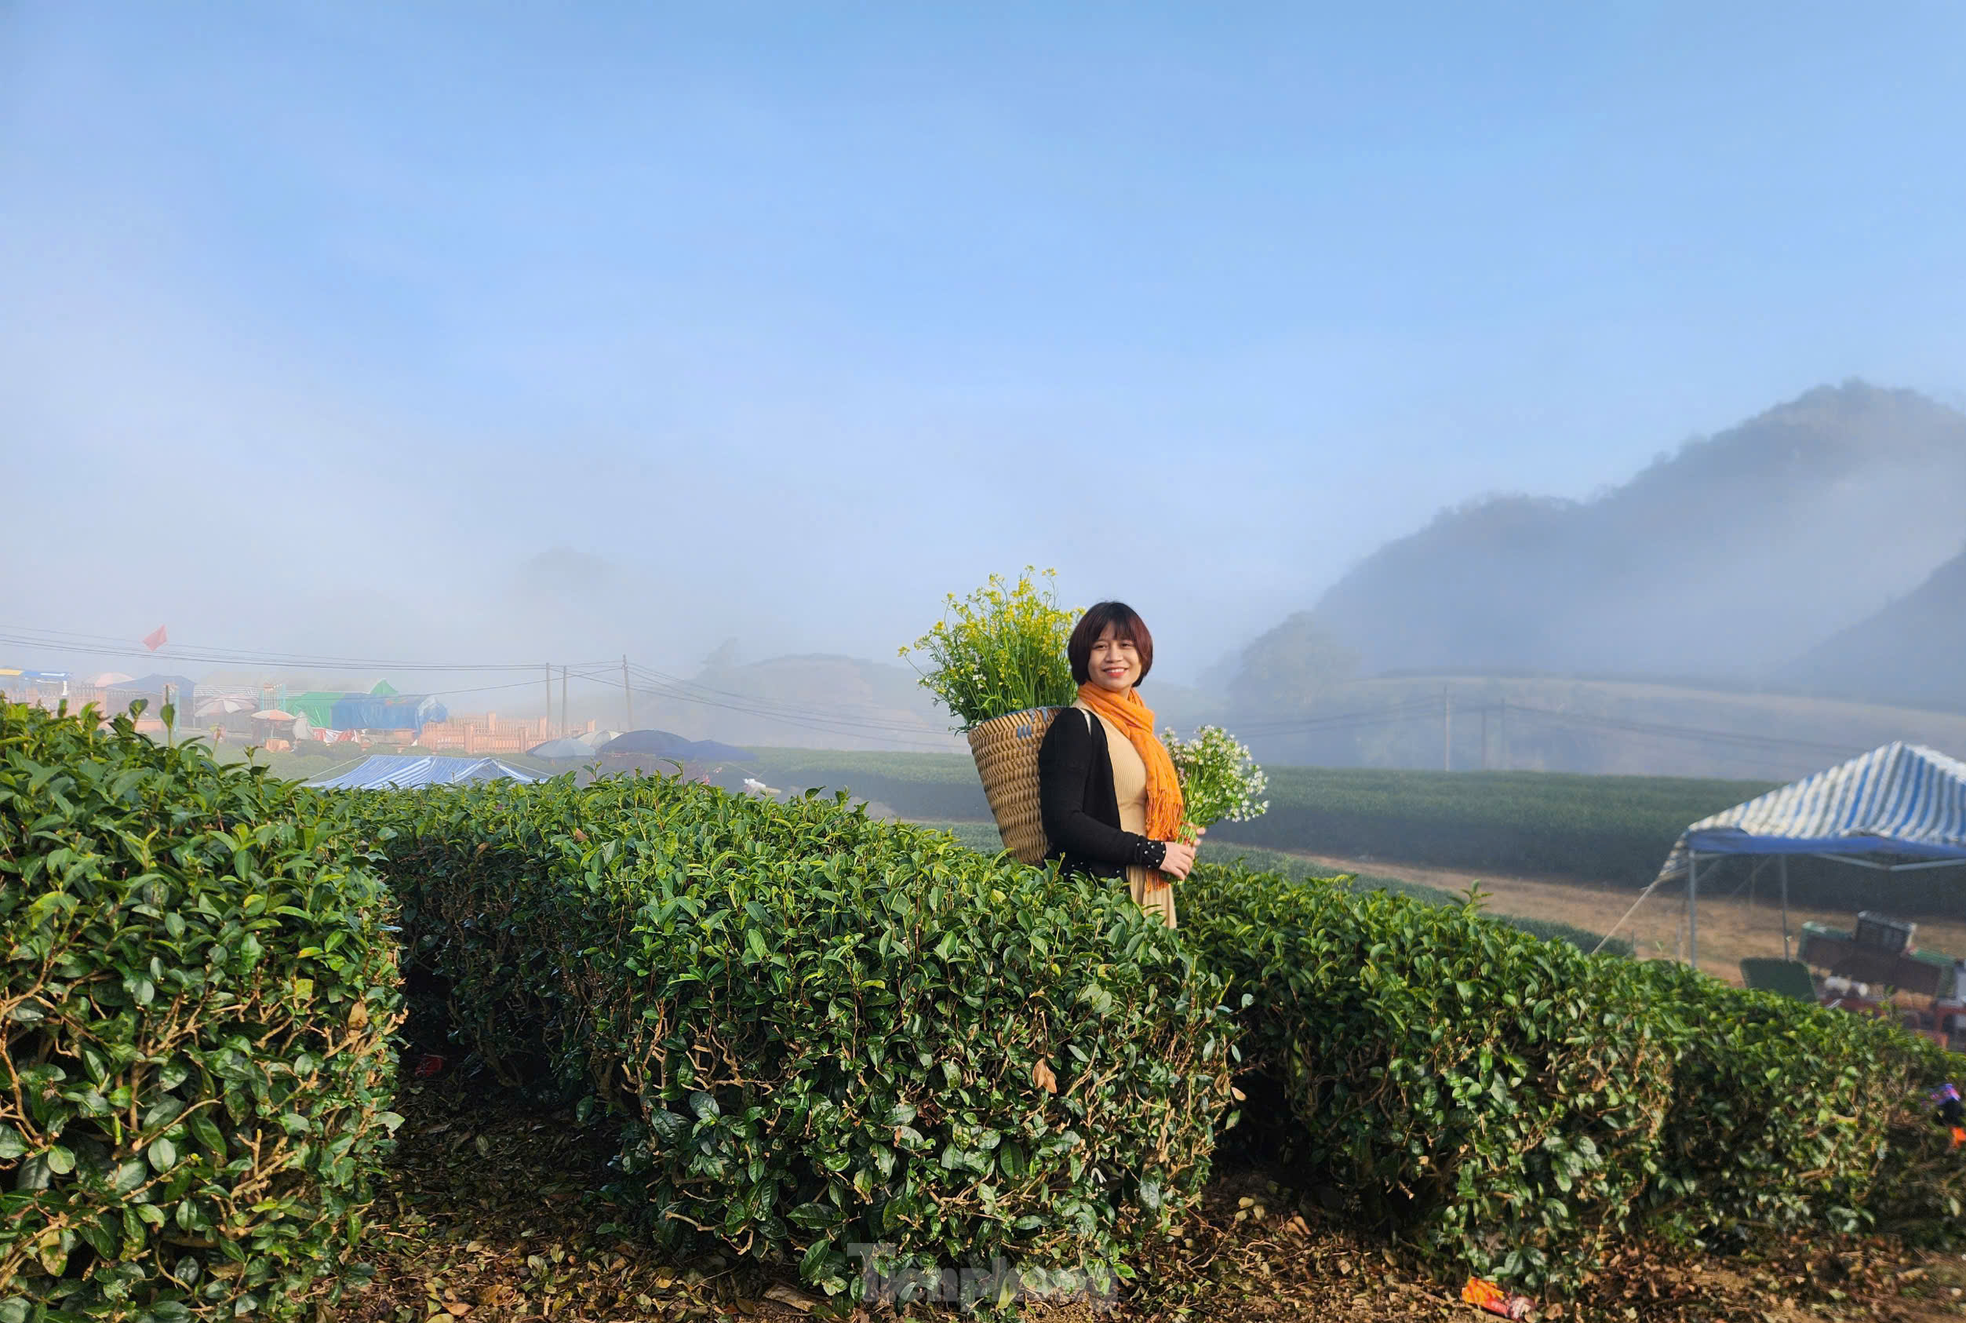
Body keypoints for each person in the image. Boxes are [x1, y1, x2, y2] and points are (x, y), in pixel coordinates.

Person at [1037, 601, 1196, 928]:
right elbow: (1063, 822)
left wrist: (1178, 836)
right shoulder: (1076, 724)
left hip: (1152, 884)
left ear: (1143, 656)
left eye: (1125, 645)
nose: (1114, 656)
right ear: (1084, 658)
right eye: (1100, 646)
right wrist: (1152, 852)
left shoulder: (1141, 731)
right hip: (1106, 895)